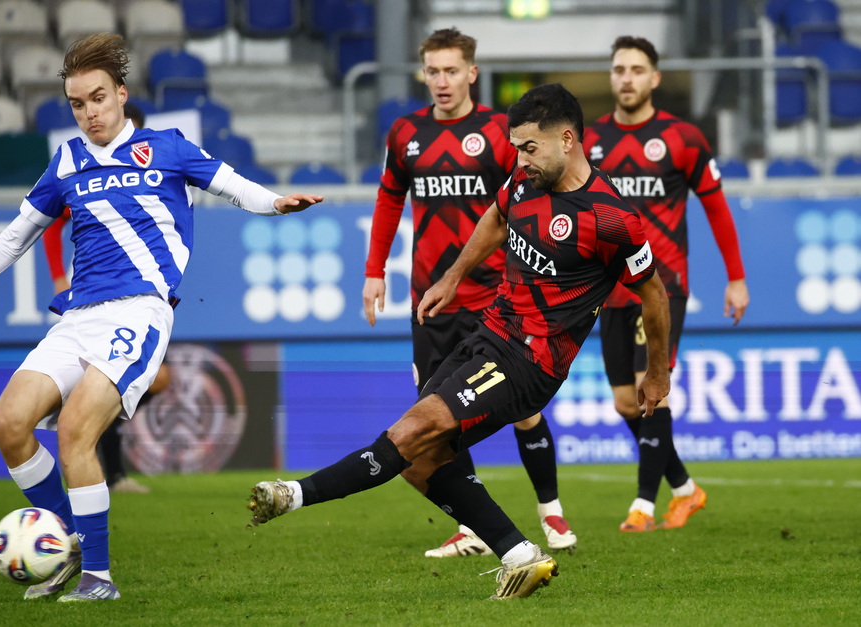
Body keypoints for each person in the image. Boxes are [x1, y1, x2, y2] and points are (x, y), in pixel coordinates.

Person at [0, 33, 322, 602]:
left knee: (75, 434)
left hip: (139, 310)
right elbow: (16, 237)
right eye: (77, 104)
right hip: (77, 316)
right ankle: (67, 542)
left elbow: (233, 186)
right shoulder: (66, 162)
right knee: (9, 424)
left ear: (121, 94)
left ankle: (98, 579)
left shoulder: (167, 147)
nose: (90, 113)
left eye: (99, 99)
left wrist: (275, 201)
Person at [250, 83, 671, 600]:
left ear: (567, 139)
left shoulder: (611, 217)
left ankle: (290, 496)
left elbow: (654, 295)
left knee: (411, 433)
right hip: (489, 333)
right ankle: (519, 556)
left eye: (529, 147)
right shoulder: (525, 180)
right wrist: (452, 276)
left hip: (530, 362)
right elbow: (496, 217)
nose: (519, 158)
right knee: (418, 460)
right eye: (516, 147)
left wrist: (657, 371)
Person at [362, 27, 577, 559]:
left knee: (524, 412)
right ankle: (475, 529)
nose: (441, 81)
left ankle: (551, 512)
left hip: (495, 298)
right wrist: (374, 270)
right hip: (430, 299)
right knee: (438, 415)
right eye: (432, 71)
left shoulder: (501, 135)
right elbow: (390, 202)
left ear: (472, 73)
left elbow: (525, 204)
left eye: (451, 70)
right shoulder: (405, 134)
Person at [582, 36, 750, 532]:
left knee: (648, 388)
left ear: (654, 78)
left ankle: (643, 506)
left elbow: (717, 210)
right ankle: (685, 489)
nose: (626, 78)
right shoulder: (588, 142)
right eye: (618, 69)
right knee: (623, 402)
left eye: (636, 69)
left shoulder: (683, 138)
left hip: (662, 284)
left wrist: (736, 278)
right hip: (608, 288)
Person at [42, 101, 164, 495]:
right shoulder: (87, 173)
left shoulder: (150, 173)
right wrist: (59, 277)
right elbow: (49, 224)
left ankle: (100, 452)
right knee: (105, 387)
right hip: (90, 301)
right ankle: (106, 471)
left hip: (140, 300)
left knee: (155, 380)